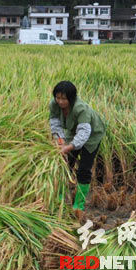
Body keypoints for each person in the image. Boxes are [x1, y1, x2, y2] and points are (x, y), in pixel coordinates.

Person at [49, 81, 106, 211]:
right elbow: (55, 123)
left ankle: (79, 205)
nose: (60, 102)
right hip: (73, 132)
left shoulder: (81, 108)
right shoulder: (54, 105)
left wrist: (69, 147)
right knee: (65, 165)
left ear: (72, 98)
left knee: (83, 170)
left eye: (64, 99)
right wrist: (60, 141)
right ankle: (60, 197)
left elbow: (84, 132)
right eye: (58, 98)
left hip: (92, 136)